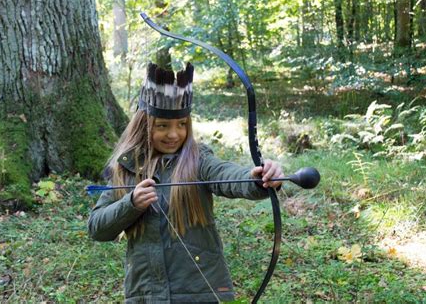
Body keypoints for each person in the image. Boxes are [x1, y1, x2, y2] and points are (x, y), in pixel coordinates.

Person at [88, 62, 284, 303]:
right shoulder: (126, 169)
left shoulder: (198, 159)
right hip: (146, 295)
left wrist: (258, 178)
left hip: (200, 291)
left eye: (182, 125)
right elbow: (97, 228)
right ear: (143, 125)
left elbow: (226, 175)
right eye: (162, 126)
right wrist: (131, 204)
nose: (174, 134)